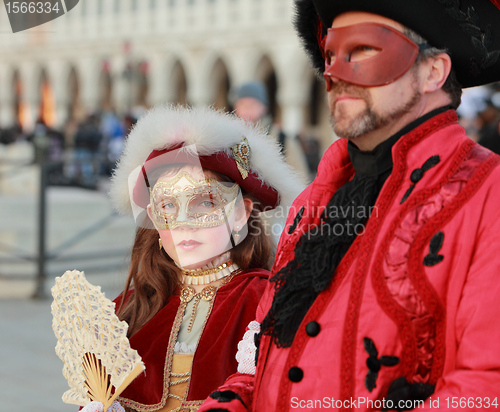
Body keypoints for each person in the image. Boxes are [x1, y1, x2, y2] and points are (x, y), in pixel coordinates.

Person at [200, 1, 500, 411]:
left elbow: (485, 387)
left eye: (362, 50)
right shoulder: (311, 206)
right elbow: (261, 364)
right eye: (330, 56)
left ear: (433, 72)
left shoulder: (489, 196)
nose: (335, 74)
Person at [79, 105, 304, 412]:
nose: (183, 222)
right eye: (168, 206)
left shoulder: (266, 303)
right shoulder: (128, 310)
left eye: (206, 202)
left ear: (241, 213)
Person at [231, 81, 310, 181]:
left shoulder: (282, 140)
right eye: (242, 105)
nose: (246, 110)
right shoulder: (229, 139)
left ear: (263, 108)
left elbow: (301, 178)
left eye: (252, 105)